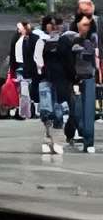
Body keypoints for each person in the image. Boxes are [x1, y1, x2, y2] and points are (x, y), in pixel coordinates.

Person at [38, 14, 74, 161]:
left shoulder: (65, 40)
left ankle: (57, 140)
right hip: (45, 80)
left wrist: (73, 78)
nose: (54, 27)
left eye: (57, 24)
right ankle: (47, 139)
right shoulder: (40, 41)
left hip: (62, 81)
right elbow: (35, 61)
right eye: (51, 24)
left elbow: (69, 62)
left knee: (59, 112)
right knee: (47, 112)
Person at [73, 11, 100, 155]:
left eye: (88, 25)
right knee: (77, 111)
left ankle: (89, 141)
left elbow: (94, 56)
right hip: (74, 79)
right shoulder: (71, 38)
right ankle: (83, 132)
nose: (85, 27)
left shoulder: (93, 40)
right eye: (83, 24)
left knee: (88, 111)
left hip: (89, 77)